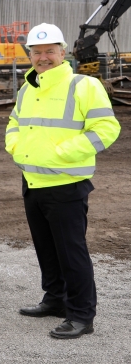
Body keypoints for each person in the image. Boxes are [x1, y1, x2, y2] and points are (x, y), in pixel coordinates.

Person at [6, 23, 120, 339]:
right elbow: (14, 122)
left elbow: (106, 129)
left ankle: (82, 315)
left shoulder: (83, 85)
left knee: (71, 253)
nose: (43, 58)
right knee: (47, 249)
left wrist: (62, 153)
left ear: (63, 52)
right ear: (30, 54)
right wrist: (15, 146)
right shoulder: (28, 88)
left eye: (49, 51)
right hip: (32, 181)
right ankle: (55, 300)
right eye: (37, 52)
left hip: (67, 184)